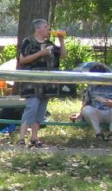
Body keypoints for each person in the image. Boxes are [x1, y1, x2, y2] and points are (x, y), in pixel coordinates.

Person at [17, 19, 65, 148]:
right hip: (32, 82)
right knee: (31, 108)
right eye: (45, 27)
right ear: (38, 29)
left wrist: (61, 41)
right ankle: (21, 139)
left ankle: (34, 138)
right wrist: (40, 53)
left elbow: (63, 55)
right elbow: (23, 59)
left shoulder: (49, 44)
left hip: (47, 83)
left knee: (41, 110)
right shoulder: (29, 41)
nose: (48, 29)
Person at [73, 64, 112, 141]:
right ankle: (99, 133)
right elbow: (86, 102)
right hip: (97, 113)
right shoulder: (91, 87)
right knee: (86, 109)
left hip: (110, 113)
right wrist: (80, 114)